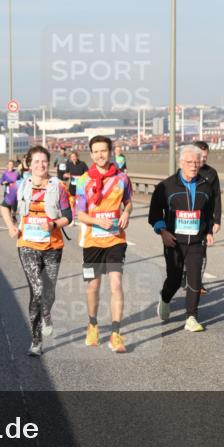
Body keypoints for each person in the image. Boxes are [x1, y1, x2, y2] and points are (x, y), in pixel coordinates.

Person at [0, 145, 72, 357]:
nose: (41, 165)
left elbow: (68, 216)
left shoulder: (59, 187)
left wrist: (53, 225)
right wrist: (11, 226)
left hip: (53, 246)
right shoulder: (19, 186)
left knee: (48, 293)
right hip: (27, 245)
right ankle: (36, 340)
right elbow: (4, 206)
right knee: (37, 290)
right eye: (36, 161)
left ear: (49, 163)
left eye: (44, 161)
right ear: (29, 164)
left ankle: (47, 312)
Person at [74, 135, 133, 353]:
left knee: (116, 284)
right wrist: (98, 221)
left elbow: (128, 202)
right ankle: (93, 324)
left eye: (104, 150)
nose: (100, 155)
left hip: (115, 240)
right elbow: (80, 214)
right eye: (96, 151)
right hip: (92, 242)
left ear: (110, 152)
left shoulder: (122, 178)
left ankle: (116, 334)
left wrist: (126, 213)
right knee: (93, 286)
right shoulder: (83, 181)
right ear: (91, 154)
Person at [148, 144, 216, 332]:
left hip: (196, 241)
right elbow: (155, 214)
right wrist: (163, 232)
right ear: (180, 163)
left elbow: (209, 212)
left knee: (195, 280)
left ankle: (191, 317)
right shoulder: (166, 186)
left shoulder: (205, 186)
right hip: (174, 241)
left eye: (196, 162)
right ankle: (165, 298)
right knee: (175, 279)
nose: (193, 166)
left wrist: (209, 231)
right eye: (189, 162)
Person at [193, 140, 222, 295]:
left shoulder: (211, 173)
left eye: (206, 156)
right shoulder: (186, 171)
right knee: (185, 253)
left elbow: (216, 197)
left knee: (201, 252)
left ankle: (198, 283)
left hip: (204, 220)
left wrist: (217, 220)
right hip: (186, 219)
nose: (203, 159)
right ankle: (185, 275)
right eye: (201, 156)